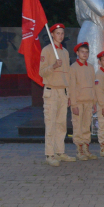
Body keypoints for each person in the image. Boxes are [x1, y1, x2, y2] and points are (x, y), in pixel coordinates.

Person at [39, 24, 74, 167]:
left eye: (62, 33)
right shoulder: (46, 50)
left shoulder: (65, 52)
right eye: (57, 33)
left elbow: (68, 76)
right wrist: (53, 66)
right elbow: (41, 72)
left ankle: (60, 152)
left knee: (61, 124)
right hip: (51, 91)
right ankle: (50, 154)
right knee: (51, 123)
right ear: (52, 34)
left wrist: (69, 94)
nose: (60, 35)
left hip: (63, 92)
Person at [69, 42, 98, 161]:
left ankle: (86, 149)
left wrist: (94, 102)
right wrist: (74, 104)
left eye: (86, 52)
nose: (84, 54)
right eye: (82, 52)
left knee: (86, 126)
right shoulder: (73, 68)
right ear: (77, 53)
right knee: (78, 126)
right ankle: (79, 150)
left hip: (89, 101)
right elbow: (71, 87)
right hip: (78, 102)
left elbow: (93, 85)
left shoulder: (90, 67)